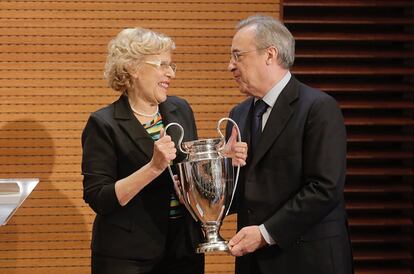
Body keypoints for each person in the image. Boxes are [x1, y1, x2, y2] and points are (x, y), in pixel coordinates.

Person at [225, 15, 354, 274]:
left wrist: (264, 234)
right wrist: (222, 165)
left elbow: (324, 188)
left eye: (238, 56)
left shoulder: (319, 108)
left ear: (270, 55)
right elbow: (237, 194)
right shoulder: (238, 114)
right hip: (252, 263)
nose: (230, 66)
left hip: (309, 259)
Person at [81, 27, 206, 274]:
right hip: (127, 256)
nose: (170, 73)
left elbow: (192, 173)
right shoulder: (104, 123)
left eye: (171, 66)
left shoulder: (181, 109)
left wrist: (224, 158)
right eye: (162, 65)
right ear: (133, 68)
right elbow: (99, 197)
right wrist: (153, 167)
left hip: (183, 249)